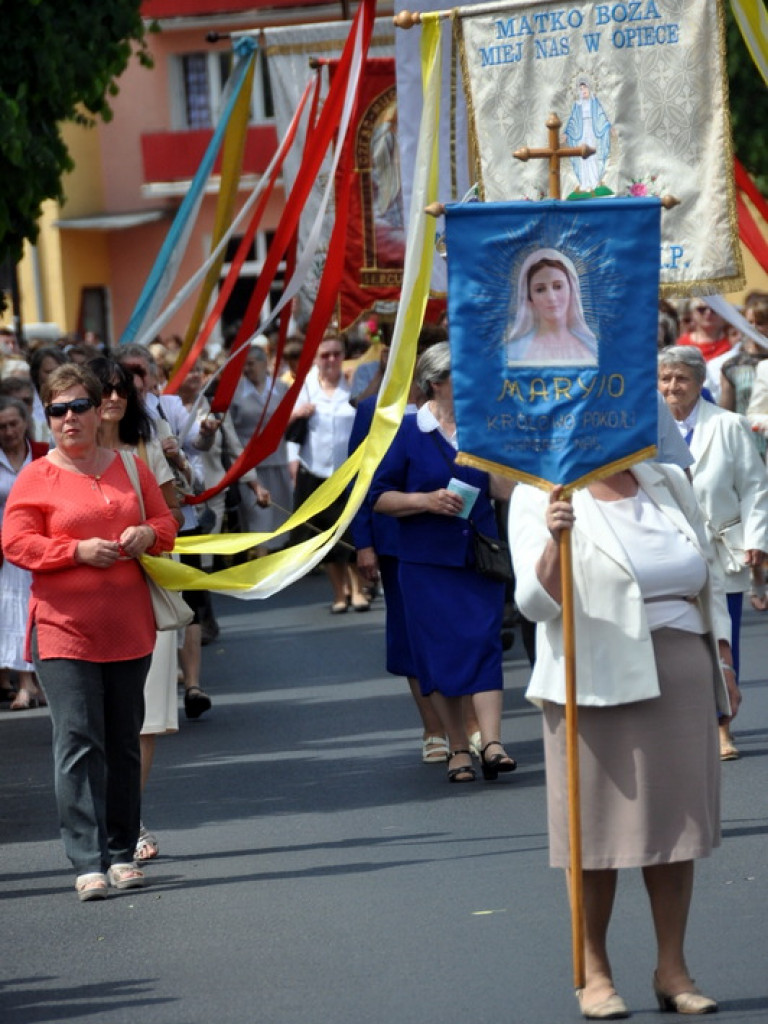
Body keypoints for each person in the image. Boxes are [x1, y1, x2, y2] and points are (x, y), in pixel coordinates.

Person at [509, 460, 739, 1019]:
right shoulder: (539, 492)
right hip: (594, 677)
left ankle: (673, 969)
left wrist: (724, 656)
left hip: (680, 665)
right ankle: (595, 974)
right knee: (594, 837)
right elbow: (535, 606)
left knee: (676, 827)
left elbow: (706, 572)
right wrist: (554, 542)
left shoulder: (667, 480)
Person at [2, 364, 178, 900]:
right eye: (57, 410)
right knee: (77, 740)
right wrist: (74, 551)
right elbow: (15, 544)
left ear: (99, 409)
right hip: (62, 630)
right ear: (47, 417)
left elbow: (169, 525)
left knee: (123, 741)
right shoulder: (37, 476)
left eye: (79, 406)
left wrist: (148, 532)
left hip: (129, 627)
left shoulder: (129, 465)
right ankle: (87, 860)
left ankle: (123, 851)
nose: (69, 418)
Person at [371, 342, 516, 783]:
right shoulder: (409, 430)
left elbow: (506, 491)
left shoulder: (482, 425)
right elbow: (378, 496)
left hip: (478, 560)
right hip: (426, 565)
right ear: (437, 382)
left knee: (484, 646)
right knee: (440, 656)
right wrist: (424, 500)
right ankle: (457, 747)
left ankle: (491, 742)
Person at [89, 356, 183, 862]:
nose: (114, 398)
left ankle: (132, 818)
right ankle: (107, 817)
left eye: (122, 389)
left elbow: (175, 517)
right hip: (84, 597)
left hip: (145, 588)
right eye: (104, 390)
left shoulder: (145, 447)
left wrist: (148, 533)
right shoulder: (68, 454)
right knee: (98, 719)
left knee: (142, 718)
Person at [659, 345, 768, 760]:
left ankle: (722, 726)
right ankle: (682, 726)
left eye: (681, 379)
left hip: (721, 552)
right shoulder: (642, 430)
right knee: (677, 641)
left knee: (723, 639)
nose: (672, 387)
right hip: (667, 553)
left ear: (699, 382)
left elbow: (755, 486)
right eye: (666, 379)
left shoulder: (728, 425)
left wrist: (756, 538)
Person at [288, 329, 369, 612]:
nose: (331, 359)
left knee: (355, 534)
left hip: (350, 474)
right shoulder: (305, 387)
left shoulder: (355, 384)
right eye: (325, 355)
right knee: (326, 536)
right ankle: (338, 593)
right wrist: (297, 415)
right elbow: (287, 430)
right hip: (316, 472)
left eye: (336, 353)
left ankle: (358, 589)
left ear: (344, 356)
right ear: (316, 359)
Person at [0, 396, 49, 709]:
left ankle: (40, 683)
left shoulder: (44, 455)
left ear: (25, 423)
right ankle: (24, 684)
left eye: (13, 424)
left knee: (43, 614)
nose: (8, 431)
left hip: (42, 545)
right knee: (14, 614)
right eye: (1, 426)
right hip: (6, 551)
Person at [228, 345, 289, 551]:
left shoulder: (281, 388)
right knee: (258, 518)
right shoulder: (235, 392)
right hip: (250, 467)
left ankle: (277, 571)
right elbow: (230, 431)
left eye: (251, 363)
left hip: (278, 461)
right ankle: (259, 568)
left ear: (264, 363)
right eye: (244, 364)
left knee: (280, 518)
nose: (247, 368)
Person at [506, 249, 598, 365]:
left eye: (558, 286)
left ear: (572, 290)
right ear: (529, 298)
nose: (551, 297)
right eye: (540, 290)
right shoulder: (514, 352)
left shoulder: (592, 348)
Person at [563, 78, 612, 193]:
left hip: (592, 131)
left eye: (585, 88)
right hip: (581, 132)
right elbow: (572, 120)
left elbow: (601, 116)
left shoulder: (594, 103)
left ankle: (594, 182)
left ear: (590, 89)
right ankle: (584, 184)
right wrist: (567, 132)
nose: (583, 90)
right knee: (582, 157)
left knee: (592, 155)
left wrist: (608, 126)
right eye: (580, 89)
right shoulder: (577, 105)